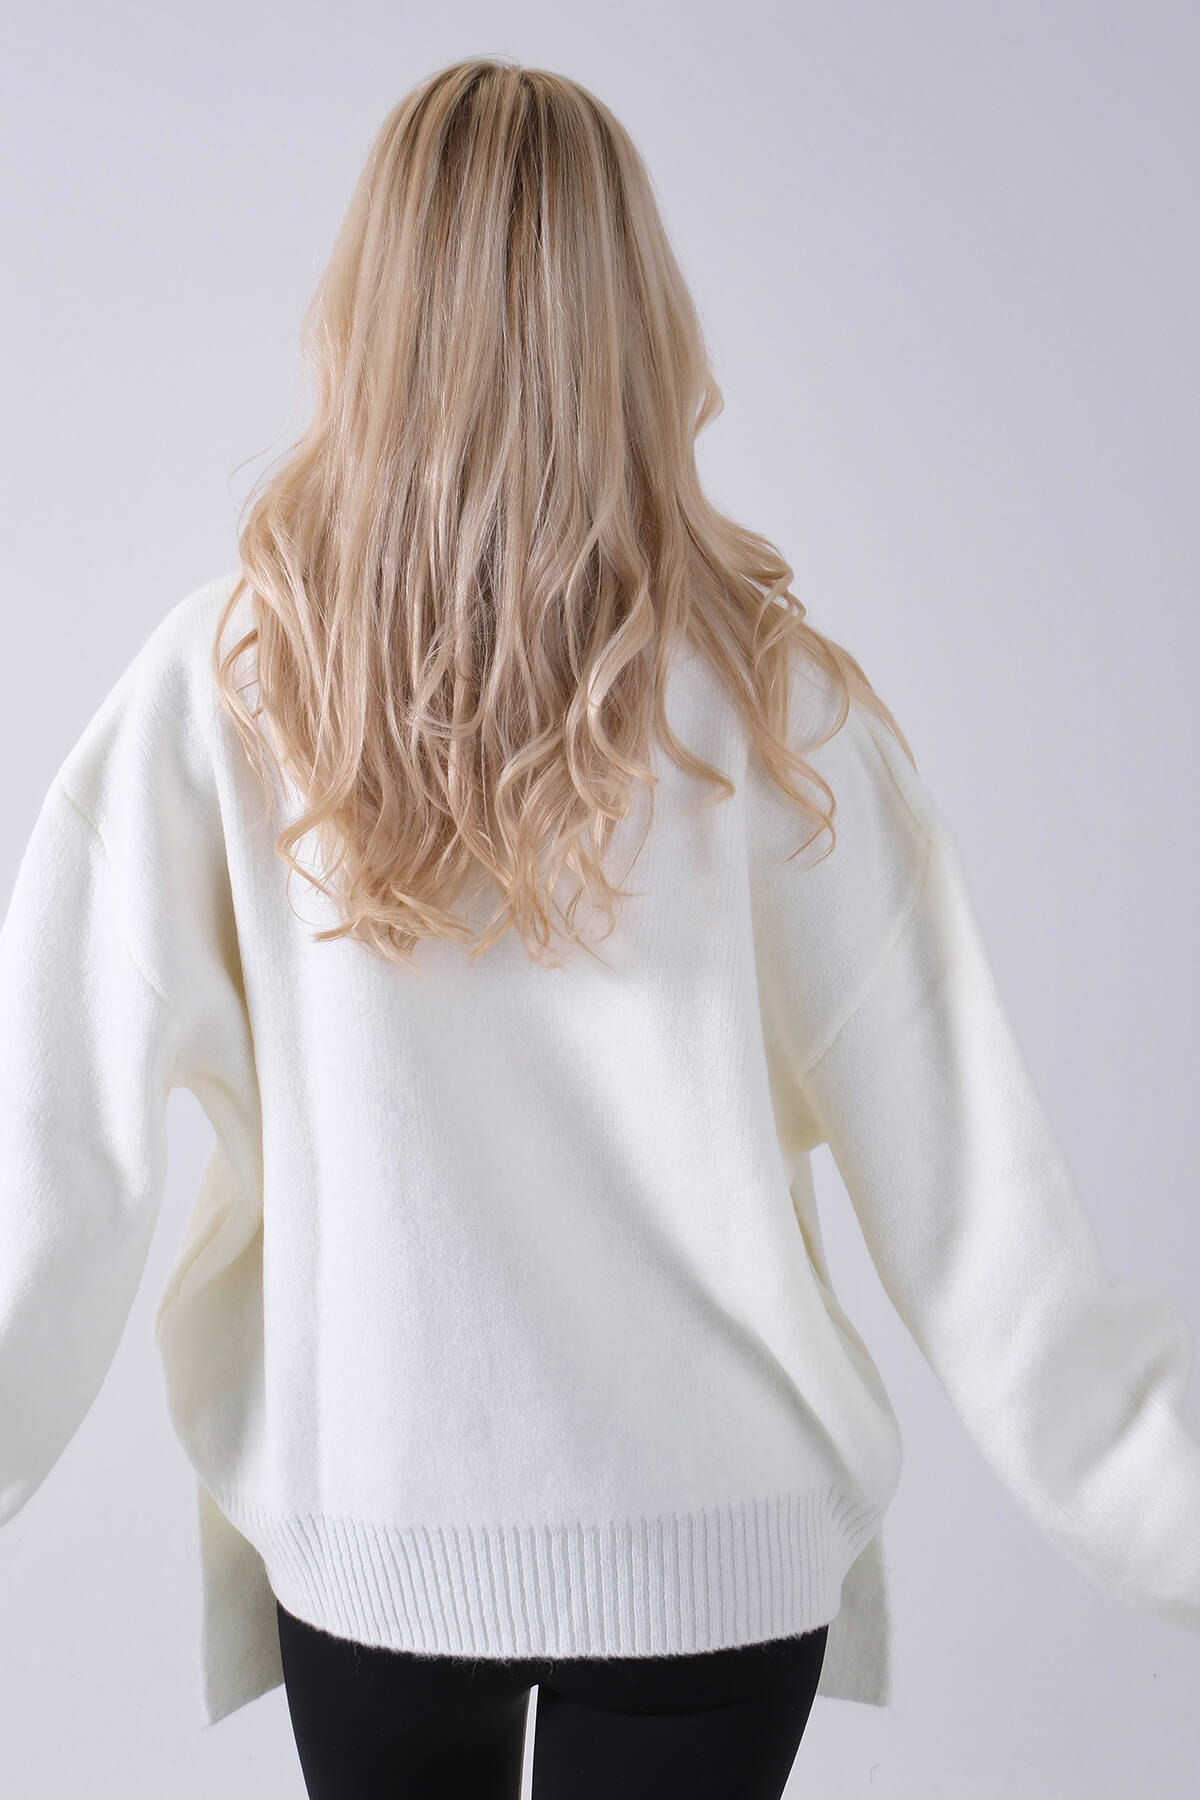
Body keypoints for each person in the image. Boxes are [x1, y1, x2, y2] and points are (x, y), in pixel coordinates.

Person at [2, 54, 1198, 1800]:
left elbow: (47, 1185)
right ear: (639, 319)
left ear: (365, 312)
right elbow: (982, 1223)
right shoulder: (781, 713)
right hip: (715, 1553)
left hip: (382, 1536)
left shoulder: (232, 686)